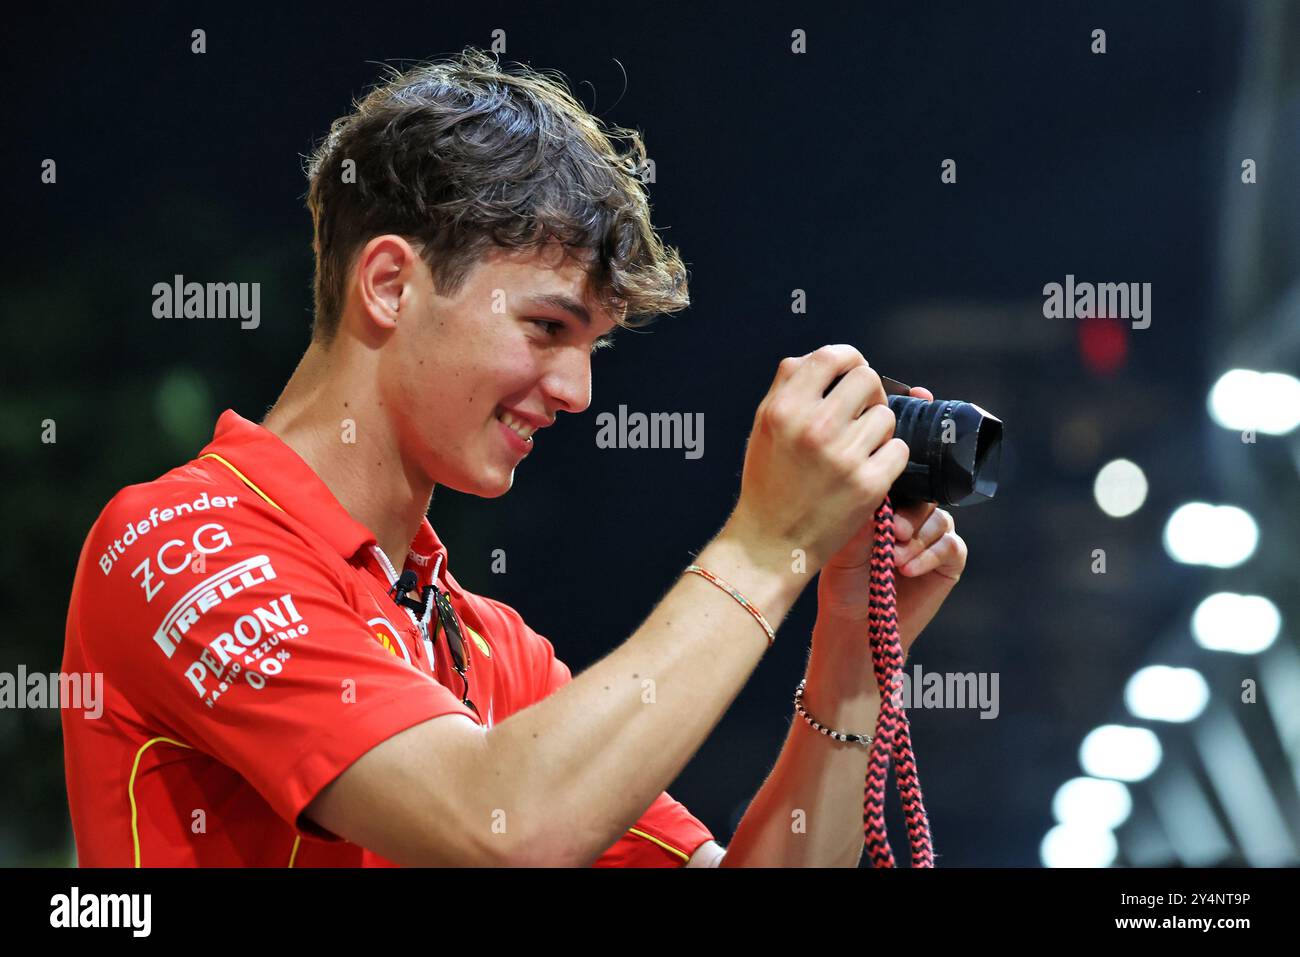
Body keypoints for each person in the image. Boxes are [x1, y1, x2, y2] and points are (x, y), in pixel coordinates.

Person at [61, 49, 967, 867]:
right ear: (389, 285)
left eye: (592, 347)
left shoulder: (489, 648)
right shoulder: (179, 544)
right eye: (546, 326)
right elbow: (501, 822)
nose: (577, 391)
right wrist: (768, 545)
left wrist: (851, 651)